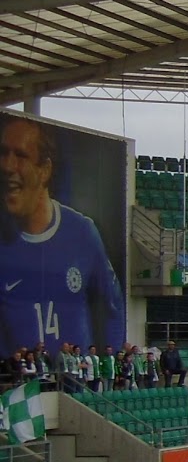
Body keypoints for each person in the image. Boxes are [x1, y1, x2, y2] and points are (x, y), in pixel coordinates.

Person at [0, 114, 126, 359]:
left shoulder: (82, 232)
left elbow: (113, 306)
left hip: (76, 383)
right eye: (3, 153)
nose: (7, 166)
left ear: (45, 169)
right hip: (20, 384)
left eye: (21, 156)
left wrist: (113, 359)